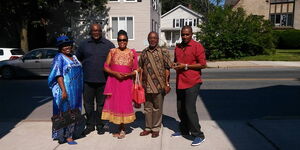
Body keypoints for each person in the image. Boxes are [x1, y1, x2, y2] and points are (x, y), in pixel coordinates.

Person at [76, 24, 115, 135]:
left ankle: (100, 124)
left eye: (98, 30)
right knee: (88, 105)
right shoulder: (84, 44)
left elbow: (114, 62)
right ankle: (90, 125)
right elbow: (77, 58)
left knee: (101, 105)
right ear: (90, 32)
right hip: (87, 81)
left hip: (103, 81)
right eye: (94, 31)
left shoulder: (109, 45)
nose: (96, 33)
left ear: (101, 31)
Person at [172, 25, 207, 146]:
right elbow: (177, 62)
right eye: (183, 34)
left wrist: (185, 66)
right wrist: (175, 65)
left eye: (187, 34)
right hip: (180, 81)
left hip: (193, 82)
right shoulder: (178, 47)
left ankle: (198, 134)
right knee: (180, 108)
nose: (184, 36)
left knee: (189, 108)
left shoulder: (197, 46)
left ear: (191, 34)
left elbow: (203, 64)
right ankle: (184, 130)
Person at [101, 30, 138, 139]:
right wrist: (115, 73)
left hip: (126, 83)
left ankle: (122, 129)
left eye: (124, 40)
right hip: (114, 82)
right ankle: (119, 128)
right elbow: (106, 66)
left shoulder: (132, 53)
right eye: (120, 40)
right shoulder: (112, 51)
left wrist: (128, 74)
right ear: (117, 40)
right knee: (115, 104)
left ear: (127, 40)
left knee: (124, 104)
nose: (122, 42)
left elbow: (137, 69)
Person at [48, 35, 83, 145]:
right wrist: (63, 90)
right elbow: (58, 75)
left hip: (76, 90)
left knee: (74, 111)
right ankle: (65, 136)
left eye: (68, 44)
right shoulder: (59, 57)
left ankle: (72, 133)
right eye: (63, 45)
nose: (67, 47)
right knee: (65, 113)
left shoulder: (74, 56)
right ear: (59, 47)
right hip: (66, 90)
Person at [138, 32, 172, 138]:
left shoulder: (163, 52)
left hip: (159, 86)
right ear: (148, 39)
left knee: (157, 107)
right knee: (147, 108)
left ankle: (156, 128)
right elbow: (140, 69)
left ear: (157, 39)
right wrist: (140, 84)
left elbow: (167, 68)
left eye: (155, 38)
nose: (152, 40)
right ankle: (148, 128)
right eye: (150, 38)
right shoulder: (144, 53)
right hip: (146, 85)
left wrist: (167, 83)